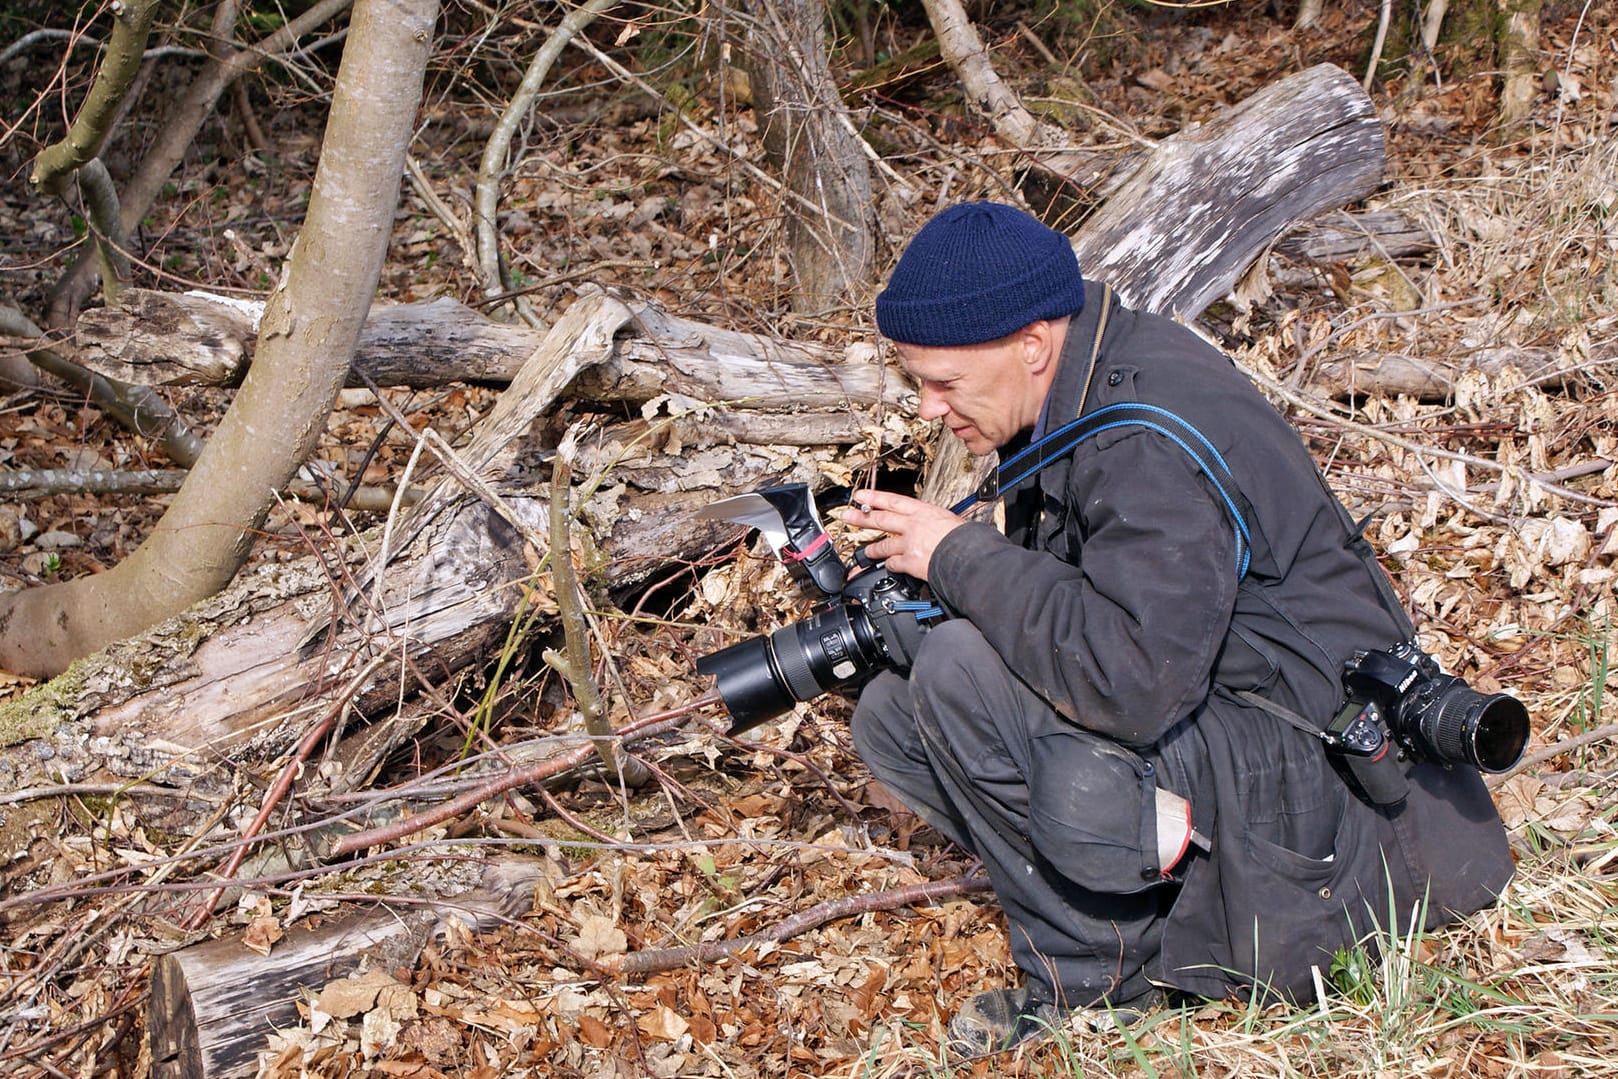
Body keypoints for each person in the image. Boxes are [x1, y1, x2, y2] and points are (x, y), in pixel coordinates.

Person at [838, 202, 1516, 1055]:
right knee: (894, 715)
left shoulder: (1139, 439)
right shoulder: (1093, 379)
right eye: (917, 385)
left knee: (959, 671)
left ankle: (1098, 981)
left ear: (1031, 345)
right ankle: (1150, 925)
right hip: (1254, 721)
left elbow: (1134, 682)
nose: (930, 410)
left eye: (944, 383)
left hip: (1341, 785)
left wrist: (959, 558)